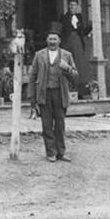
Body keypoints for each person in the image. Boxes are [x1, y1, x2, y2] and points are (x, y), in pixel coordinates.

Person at [29, 31, 78, 162]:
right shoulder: (39, 55)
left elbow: (75, 76)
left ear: (59, 41)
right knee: (47, 125)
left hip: (60, 94)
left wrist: (67, 68)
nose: (52, 41)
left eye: (55, 39)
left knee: (60, 124)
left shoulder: (67, 55)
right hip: (44, 94)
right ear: (47, 40)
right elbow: (32, 76)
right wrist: (32, 98)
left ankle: (61, 152)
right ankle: (51, 152)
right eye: (50, 39)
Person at [59, 0, 92, 90]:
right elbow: (62, 32)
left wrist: (90, 27)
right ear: (68, 6)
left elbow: (83, 33)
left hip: (78, 44)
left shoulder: (79, 17)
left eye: (74, 5)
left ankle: (80, 90)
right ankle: (69, 89)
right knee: (69, 65)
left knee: (79, 65)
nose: (72, 7)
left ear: (77, 6)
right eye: (71, 5)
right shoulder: (63, 17)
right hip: (67, 44)